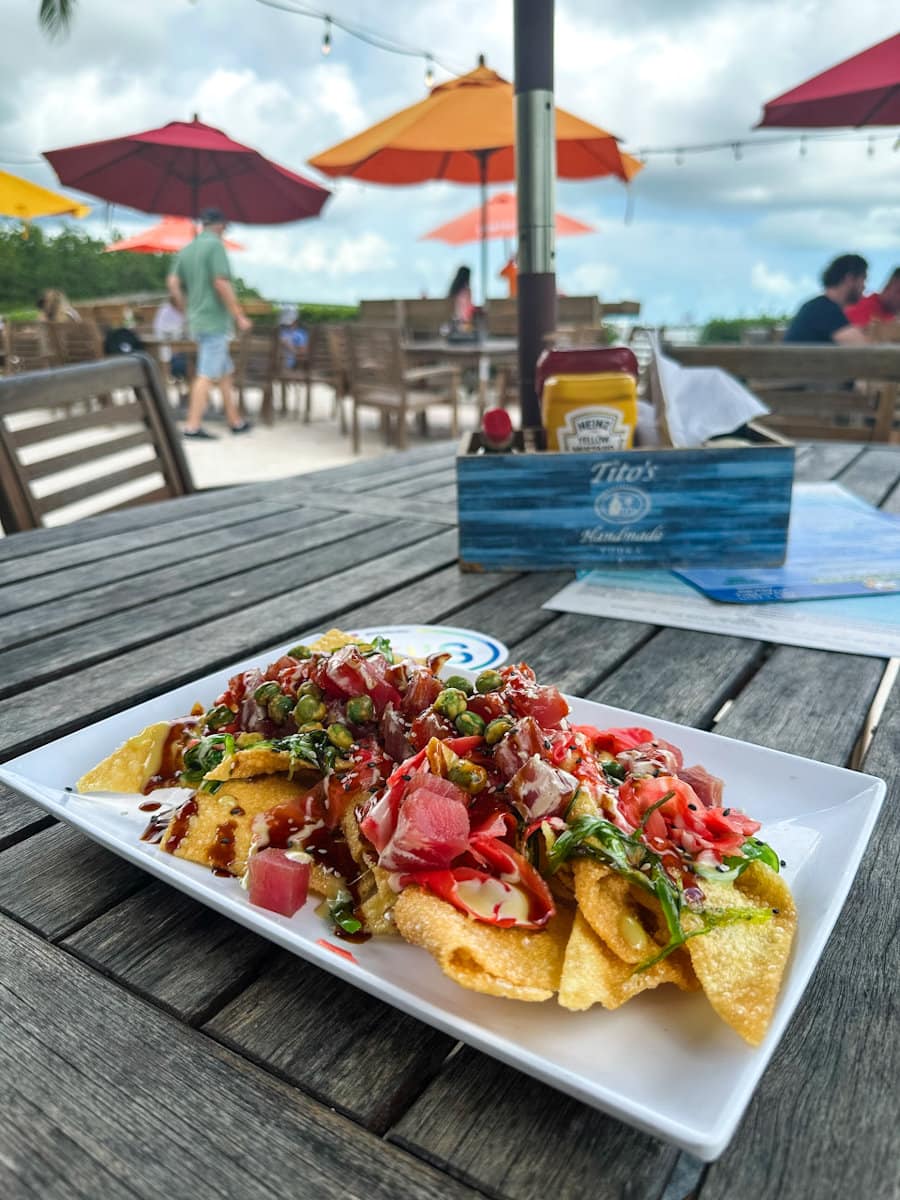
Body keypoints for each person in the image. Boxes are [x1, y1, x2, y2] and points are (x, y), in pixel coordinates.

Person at [167, 207, 252, 439]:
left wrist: (186, 307)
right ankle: (192, 426)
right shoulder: (215, 246)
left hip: (196, 319)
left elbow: (173, 283)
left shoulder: (187, 249)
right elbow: (221, 283)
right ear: (220, 225)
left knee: (225, 372)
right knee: (206, 374)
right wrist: (239, 315)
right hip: (214, 320)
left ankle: (235, 421)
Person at [784, 254, 869, 344]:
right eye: (863, 279)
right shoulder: (825, 310)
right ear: (850, 279)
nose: (864, 287)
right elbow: (863, 348)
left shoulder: (816, 307)